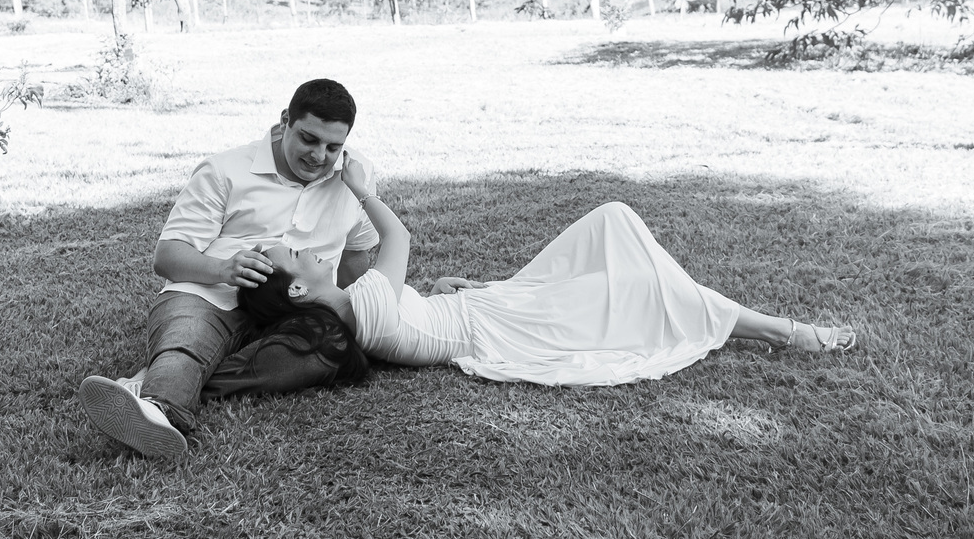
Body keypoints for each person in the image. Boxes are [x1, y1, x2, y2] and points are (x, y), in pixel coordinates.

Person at [263, 156, 857, 383]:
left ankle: (757, 324)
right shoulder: (360, 303)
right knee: (644, 285)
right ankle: (785, 332)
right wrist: (361, 188)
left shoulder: (359, 305)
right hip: (504, 328)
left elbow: (410, 314)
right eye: (297, 254)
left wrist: (438, 293)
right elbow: (399, 236)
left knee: (612, 219)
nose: (311, 251)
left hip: (488, 304)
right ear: (297, 287)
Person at [77, 78, 378, 458]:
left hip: (296, 307)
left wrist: (372, 310)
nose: (320, 156)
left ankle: (151, 379)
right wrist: (223, 269)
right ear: (286, 120)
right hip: (209, 293)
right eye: (309, 139)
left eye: (333, 146)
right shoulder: (225, 169)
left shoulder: (355, 174)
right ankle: (161, 409)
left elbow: (357, 254)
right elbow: (167, 255)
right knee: (189, 337)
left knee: (328, 352)